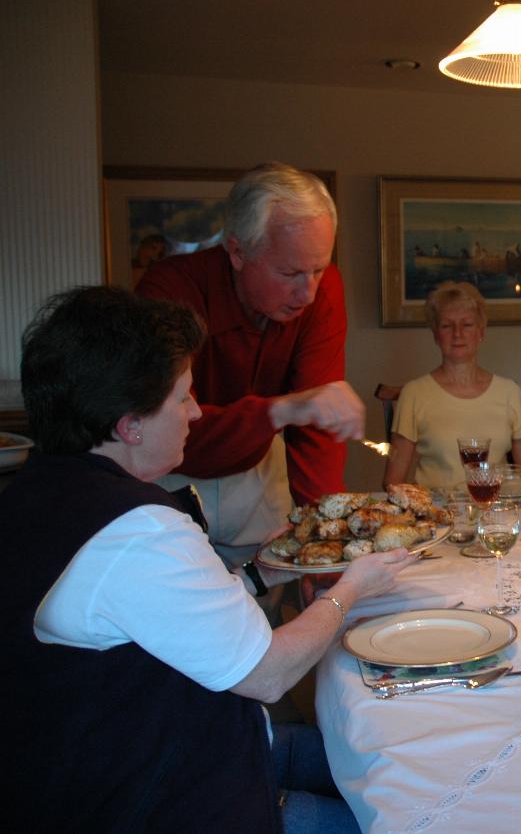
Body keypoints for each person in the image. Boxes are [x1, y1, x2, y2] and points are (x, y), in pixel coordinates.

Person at [2, 286, 413, 832]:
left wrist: (262, 573)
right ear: (130, 425)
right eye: (183, 397)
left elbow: (165, 614)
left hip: (159, 752)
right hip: (165, 798)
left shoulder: (37, 493)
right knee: (410, 808)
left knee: (397, 745)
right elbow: (271, 673)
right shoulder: (138, 531)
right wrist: (352, 588)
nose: (197, 413)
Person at [137, 162, 364, 553]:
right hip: (170, 481)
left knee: (268, 603)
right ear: (237, 251)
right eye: (290, 272)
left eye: (319, 269)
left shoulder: (321, 292)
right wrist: (278, 411)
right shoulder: (169, 291)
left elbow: (317, 426)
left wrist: (323, 536)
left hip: (260, 482)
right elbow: (163, 433)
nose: (307, 293)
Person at [383, 281, 521, 489]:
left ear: (481, 332)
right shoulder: (414, 394)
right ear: (436, 335)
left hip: (496, 514)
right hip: (435, 516)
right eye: (447, 325)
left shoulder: (510, 392)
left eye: (467, 325)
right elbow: (393, 482)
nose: (457, 334)